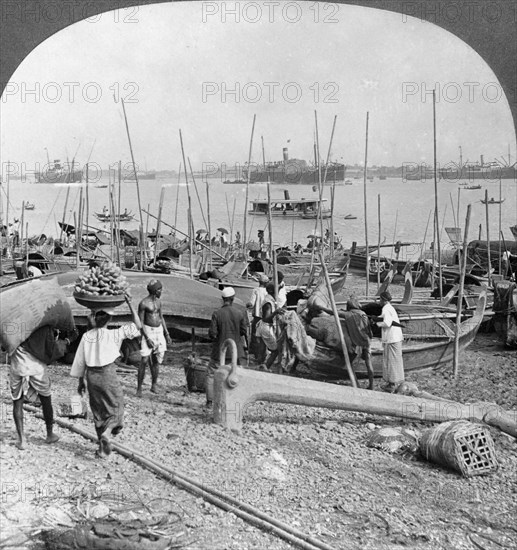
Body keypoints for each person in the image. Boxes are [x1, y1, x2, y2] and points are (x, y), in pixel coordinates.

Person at [71, 298, 142, 458]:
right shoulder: (113, 334)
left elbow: (80, 361)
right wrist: (130, 304)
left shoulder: (86, 336)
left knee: (98, 411)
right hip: (107, 374)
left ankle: (102, 451)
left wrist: (80, 381)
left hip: (91, 376)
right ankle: (108, 433)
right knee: (116, 406)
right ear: (109, 319)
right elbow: (139, 326)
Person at [9, 325, 69, 450]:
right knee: (46, 398)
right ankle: (50, 434)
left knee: (17, 401)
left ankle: (22, 440)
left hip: (18, 366)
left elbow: (5, 346)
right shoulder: (43, 324)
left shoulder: (13, 323)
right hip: (37, 367)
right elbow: (50, 350)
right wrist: (68, 340)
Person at [316, 297, 374, 389]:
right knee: (368, 363)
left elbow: (333, 312)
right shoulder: (363, 314)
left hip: (357, 343)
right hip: (366, 341)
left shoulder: (348, 315)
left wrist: (321, 307)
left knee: (350, 364)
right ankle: (371, 385)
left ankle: (356, 385)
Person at [206, 287, 249, 407]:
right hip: (236, 353)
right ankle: (234, 401)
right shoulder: (239, 313)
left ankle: (210, 401)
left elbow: (212, 334)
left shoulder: (217, 314)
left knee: (211, 374)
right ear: (233, 299)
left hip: (219, 352)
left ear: (223, 299)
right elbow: (243, 331)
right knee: (235, 376)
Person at [137, 279, 172, 397]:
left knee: (157, 359)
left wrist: (166, 333)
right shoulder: (143, 303)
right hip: (148, 331)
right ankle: (139, 388)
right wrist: (146, 338)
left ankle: (154, 385)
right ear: (154, 291)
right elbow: (140, 323)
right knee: (144, 360)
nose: (161, 291)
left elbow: (161, 317)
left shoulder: (159, 302)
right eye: (159, 289)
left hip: (159, 331)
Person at [376, 291, 404, 392]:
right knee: (395, 360)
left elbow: (387, 323)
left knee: (391, 360)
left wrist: (378, 324)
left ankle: (392, 384)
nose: (379, 301)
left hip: (392, 338)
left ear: (383, 300)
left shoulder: (385, 308)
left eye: (380, 299)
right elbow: (387, 318)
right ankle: (394, 382)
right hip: (396, 337)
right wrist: (377, 318)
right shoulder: (390, 308)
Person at [246, 273, 269, 363]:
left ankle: (256, 354)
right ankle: (263, 354)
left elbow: (251, 303)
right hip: (265, 316)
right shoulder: (268, 292)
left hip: (257, 316)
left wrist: (247, 305)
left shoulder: (256, 290)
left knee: (256, 336)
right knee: (264, 335)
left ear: (259, 282)